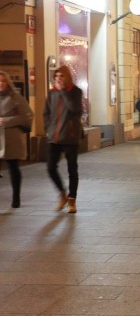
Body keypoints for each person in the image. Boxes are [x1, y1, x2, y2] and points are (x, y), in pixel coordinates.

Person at [44, 65, 83, 213]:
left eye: (61, 76)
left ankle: (72, 200)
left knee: (72, 169)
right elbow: (46, 113)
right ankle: (62, 194)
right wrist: (48, 128)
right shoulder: (52, 93)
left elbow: (76, 110)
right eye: (56, 76)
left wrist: (63, 92)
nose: (59, 79)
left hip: (70, 136)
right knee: (50, 167)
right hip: (54, 137)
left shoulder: (75, 91)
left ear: (67, 77)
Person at [0, 71, 34, 208]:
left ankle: (16, 198)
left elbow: (27, 115)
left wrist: (5, 121)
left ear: (8, 82)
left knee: (13, 168)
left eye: (3, 81)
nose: (0, 84)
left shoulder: (15, 97)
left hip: (11, 138)